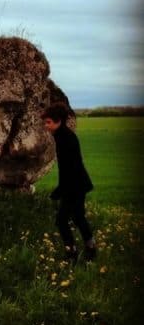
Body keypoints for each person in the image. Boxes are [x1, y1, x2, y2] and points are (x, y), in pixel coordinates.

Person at [42, 103, 97, 263]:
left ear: (59, 121)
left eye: (49, 122)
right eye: (45, 122)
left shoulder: (65, 138)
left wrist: (60, 190)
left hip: (75, 185)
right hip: (77, 183)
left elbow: (70, 168)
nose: (46, 126)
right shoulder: (63, 135)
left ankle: (71, 253)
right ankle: (90, 249)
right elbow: (68, 168)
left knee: (61, 220)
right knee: (79, 217)